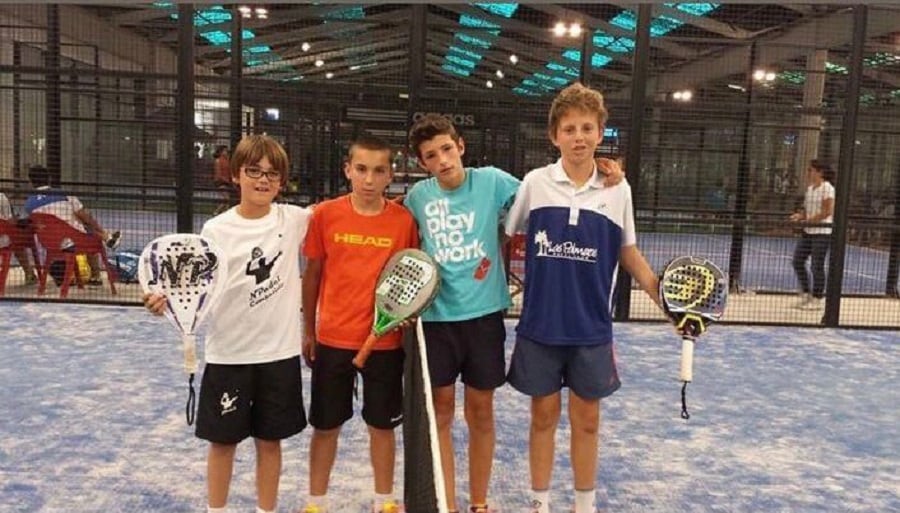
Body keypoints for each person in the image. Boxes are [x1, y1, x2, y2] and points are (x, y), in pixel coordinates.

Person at [404, 113, 624, 513]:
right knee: (440, 412)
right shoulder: (417, 198)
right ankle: (447, 503)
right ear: (423, 163)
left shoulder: (493, 181)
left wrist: (601, 168)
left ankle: (481, 503)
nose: (443, 160)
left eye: (448, 149)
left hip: (484, 318)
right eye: (431, 155)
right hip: (435, 322)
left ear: (461, 146)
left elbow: (550, 193)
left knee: (481, 412)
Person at [503, 82, 659, 513]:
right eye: (569, 128)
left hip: (591, 329)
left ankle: (584, 504)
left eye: (587, 128)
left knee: (587, 421)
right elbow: (507, 233)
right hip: (540, 327)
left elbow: (628, 252)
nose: (578, 137)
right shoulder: (536, 183)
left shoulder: (617, 190)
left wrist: (662, 298)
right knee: (543, 418)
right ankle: (539, 501)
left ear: (600, 133)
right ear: (554, 135)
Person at [144, 135, 311, 513]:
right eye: (254, 171)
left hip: (279, 355)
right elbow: (189, 287)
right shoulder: (216, 230)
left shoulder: (295, 219)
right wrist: (161, 302)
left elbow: (346, 210)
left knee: (270, 443)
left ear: (282, 182)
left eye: (272, 174)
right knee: (223, 443)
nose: (263, 180)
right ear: (237, 175)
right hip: (228, 354)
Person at [300, 135, 418, 513]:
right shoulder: (325, 215)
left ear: (391, 175)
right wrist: (308, 329)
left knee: (382, 427)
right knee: (325, 427)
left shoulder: (403, 222)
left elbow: (407, 276)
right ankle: (316, 502)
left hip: (385, 343)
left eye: (378, 170)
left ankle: (384, 501)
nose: (369, 179)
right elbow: (312, 275)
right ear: (348, 170)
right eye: (361, 169)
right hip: (332, 340)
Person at [24, 165, 120, 286]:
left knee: (81, 228)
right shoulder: (64, 194)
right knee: (87, 228)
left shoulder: (28, 204)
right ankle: (96, 273)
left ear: (30, 181)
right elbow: (86, 216)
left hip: (49, 244)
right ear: (49, 179)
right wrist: (100, 229)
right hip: (76, 241)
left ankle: (106, 237)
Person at [790, 159, 835, 310]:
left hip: (822, 233)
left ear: (820, 172)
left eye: (811, 170)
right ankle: (806, 293)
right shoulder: (810, 189)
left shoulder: (827, 188)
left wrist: (809, 220)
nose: (808, 173)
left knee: (817, 266)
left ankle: (817, 298)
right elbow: (807, 210)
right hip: (808, 232)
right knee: (797, 261)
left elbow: (827, 211)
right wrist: (800, 216)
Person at [0, 191, 37, 284]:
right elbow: (9, 221)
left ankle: (29, 274)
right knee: (18, 241)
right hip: (3, 239)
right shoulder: (1, 197)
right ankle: (29, 273)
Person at [213, 145, 236, 215]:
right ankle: (216, 212)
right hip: (221, 182)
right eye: (225, 151)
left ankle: (225, 214)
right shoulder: (218, 161)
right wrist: (225, 179)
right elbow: (218, 173)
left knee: (228, 200)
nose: (226, 152)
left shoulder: (227, 160)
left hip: (227, 182)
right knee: (226, 199)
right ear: (221, 152)